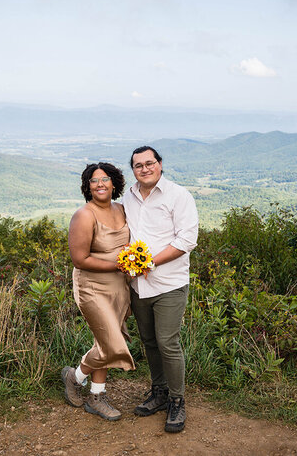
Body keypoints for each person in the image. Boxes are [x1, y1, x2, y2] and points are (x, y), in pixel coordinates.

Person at [122, 145, 198, 433]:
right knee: (149, 341)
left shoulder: (179, 195)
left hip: (169, 283)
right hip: (138, 285)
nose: (144, 168)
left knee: (167, 341)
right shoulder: (128, 197)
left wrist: (149, 262)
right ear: (133, 170)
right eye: (138, 165)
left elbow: (186, 240)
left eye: (149, 163)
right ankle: (160, 392)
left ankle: (178, 401)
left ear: (160, 164)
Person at [62, 162, 135, 421]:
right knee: (110, 343)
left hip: (119, 287)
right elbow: (79, 259)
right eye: (94, 181)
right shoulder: (84, 215)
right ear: (88, 187)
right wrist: (117, 265)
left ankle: (92, 392)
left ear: (114, 183)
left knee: (105, 341)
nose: (100, 184)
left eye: (105, 179)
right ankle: (77, 378)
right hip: (92, 287)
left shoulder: (123, 210)